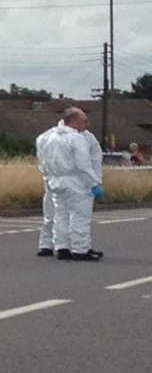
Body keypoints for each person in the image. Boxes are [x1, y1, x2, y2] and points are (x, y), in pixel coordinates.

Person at [38, 106, 105, 261]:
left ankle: (62, 247)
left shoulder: (48, 136)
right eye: (83, 121)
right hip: (76, 182)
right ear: (73, 121)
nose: (86, 124)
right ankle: (80, 249)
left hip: (55, 181)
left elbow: (42, 161)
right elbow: (84, 164)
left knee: (60, 215)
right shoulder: (77, 138)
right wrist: (94, 183)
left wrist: (49, 177)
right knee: (80, 216)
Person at [35, 118, 69, 257]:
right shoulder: (72, 138)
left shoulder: (44, 137)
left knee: (49, 213)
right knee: (65, 214)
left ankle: (46, 245)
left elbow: (41, 158)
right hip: (65, 179)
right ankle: (63, 246)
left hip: (49, 178)